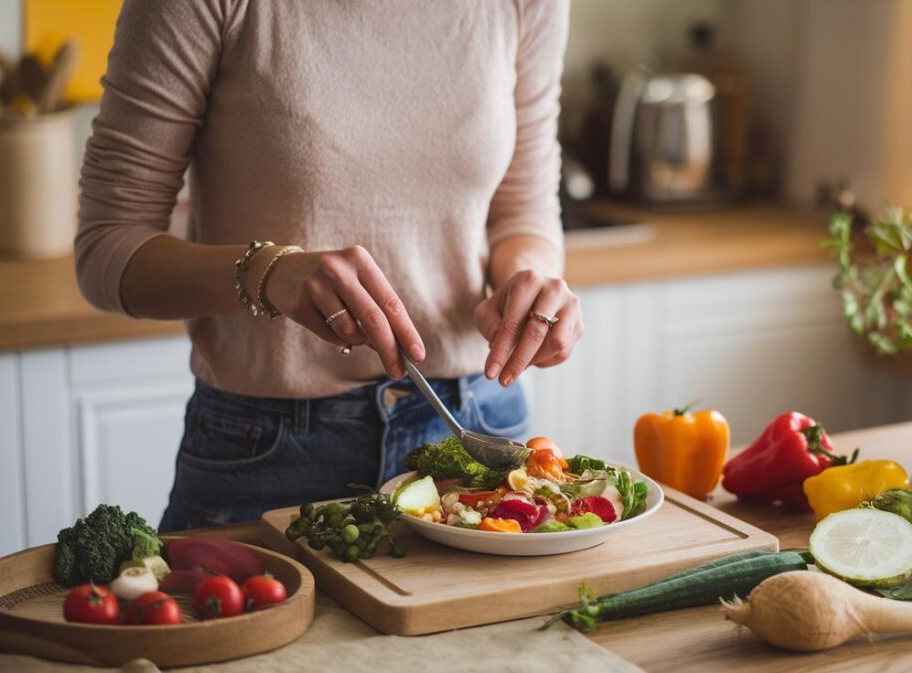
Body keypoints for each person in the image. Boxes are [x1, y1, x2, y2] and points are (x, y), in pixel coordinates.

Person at [75, 0, 580, 531]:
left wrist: (530, 280)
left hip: (475, 423)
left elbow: (523, 210)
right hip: (268, 448)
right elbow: (109, 248)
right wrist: (270, 274)